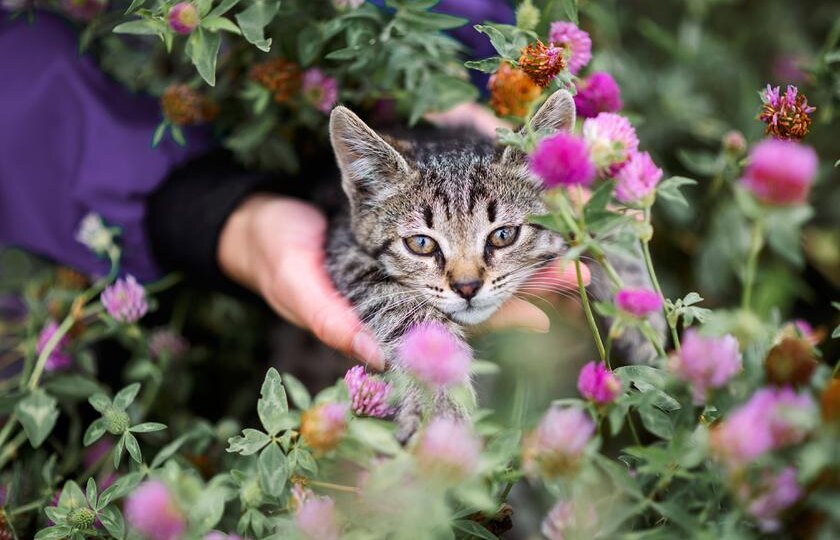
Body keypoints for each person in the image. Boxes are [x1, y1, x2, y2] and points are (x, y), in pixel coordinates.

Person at [0, 2, 589, 370]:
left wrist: (458, 66)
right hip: (69, 227)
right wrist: (209, 211)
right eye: (427, 246)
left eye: (501, 237)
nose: (466, 281)